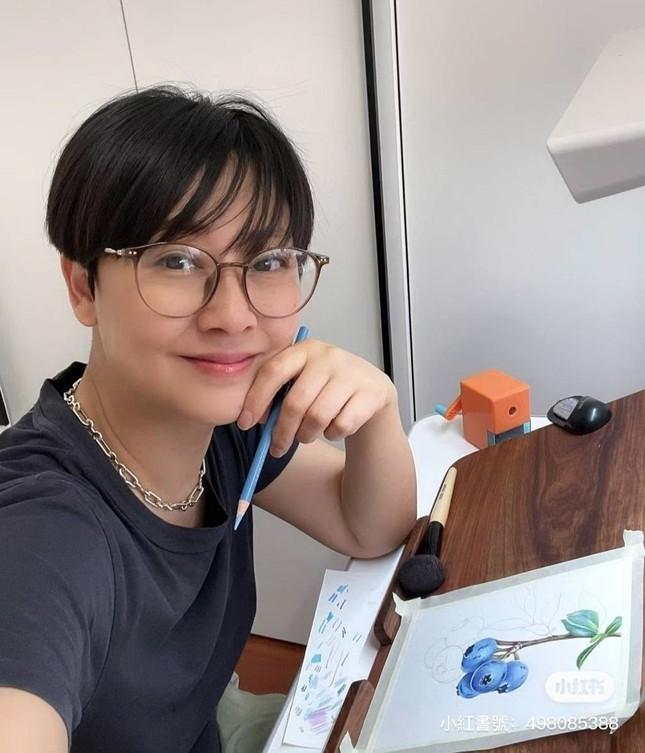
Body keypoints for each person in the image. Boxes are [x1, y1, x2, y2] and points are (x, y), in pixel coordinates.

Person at [0, 85, 417, 753]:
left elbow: (369, 525)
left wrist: (377, 412)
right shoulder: (42, 526)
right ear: (83, 287)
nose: (233, 314)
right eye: (177, 260)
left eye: (269, 261)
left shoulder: (228, 426)